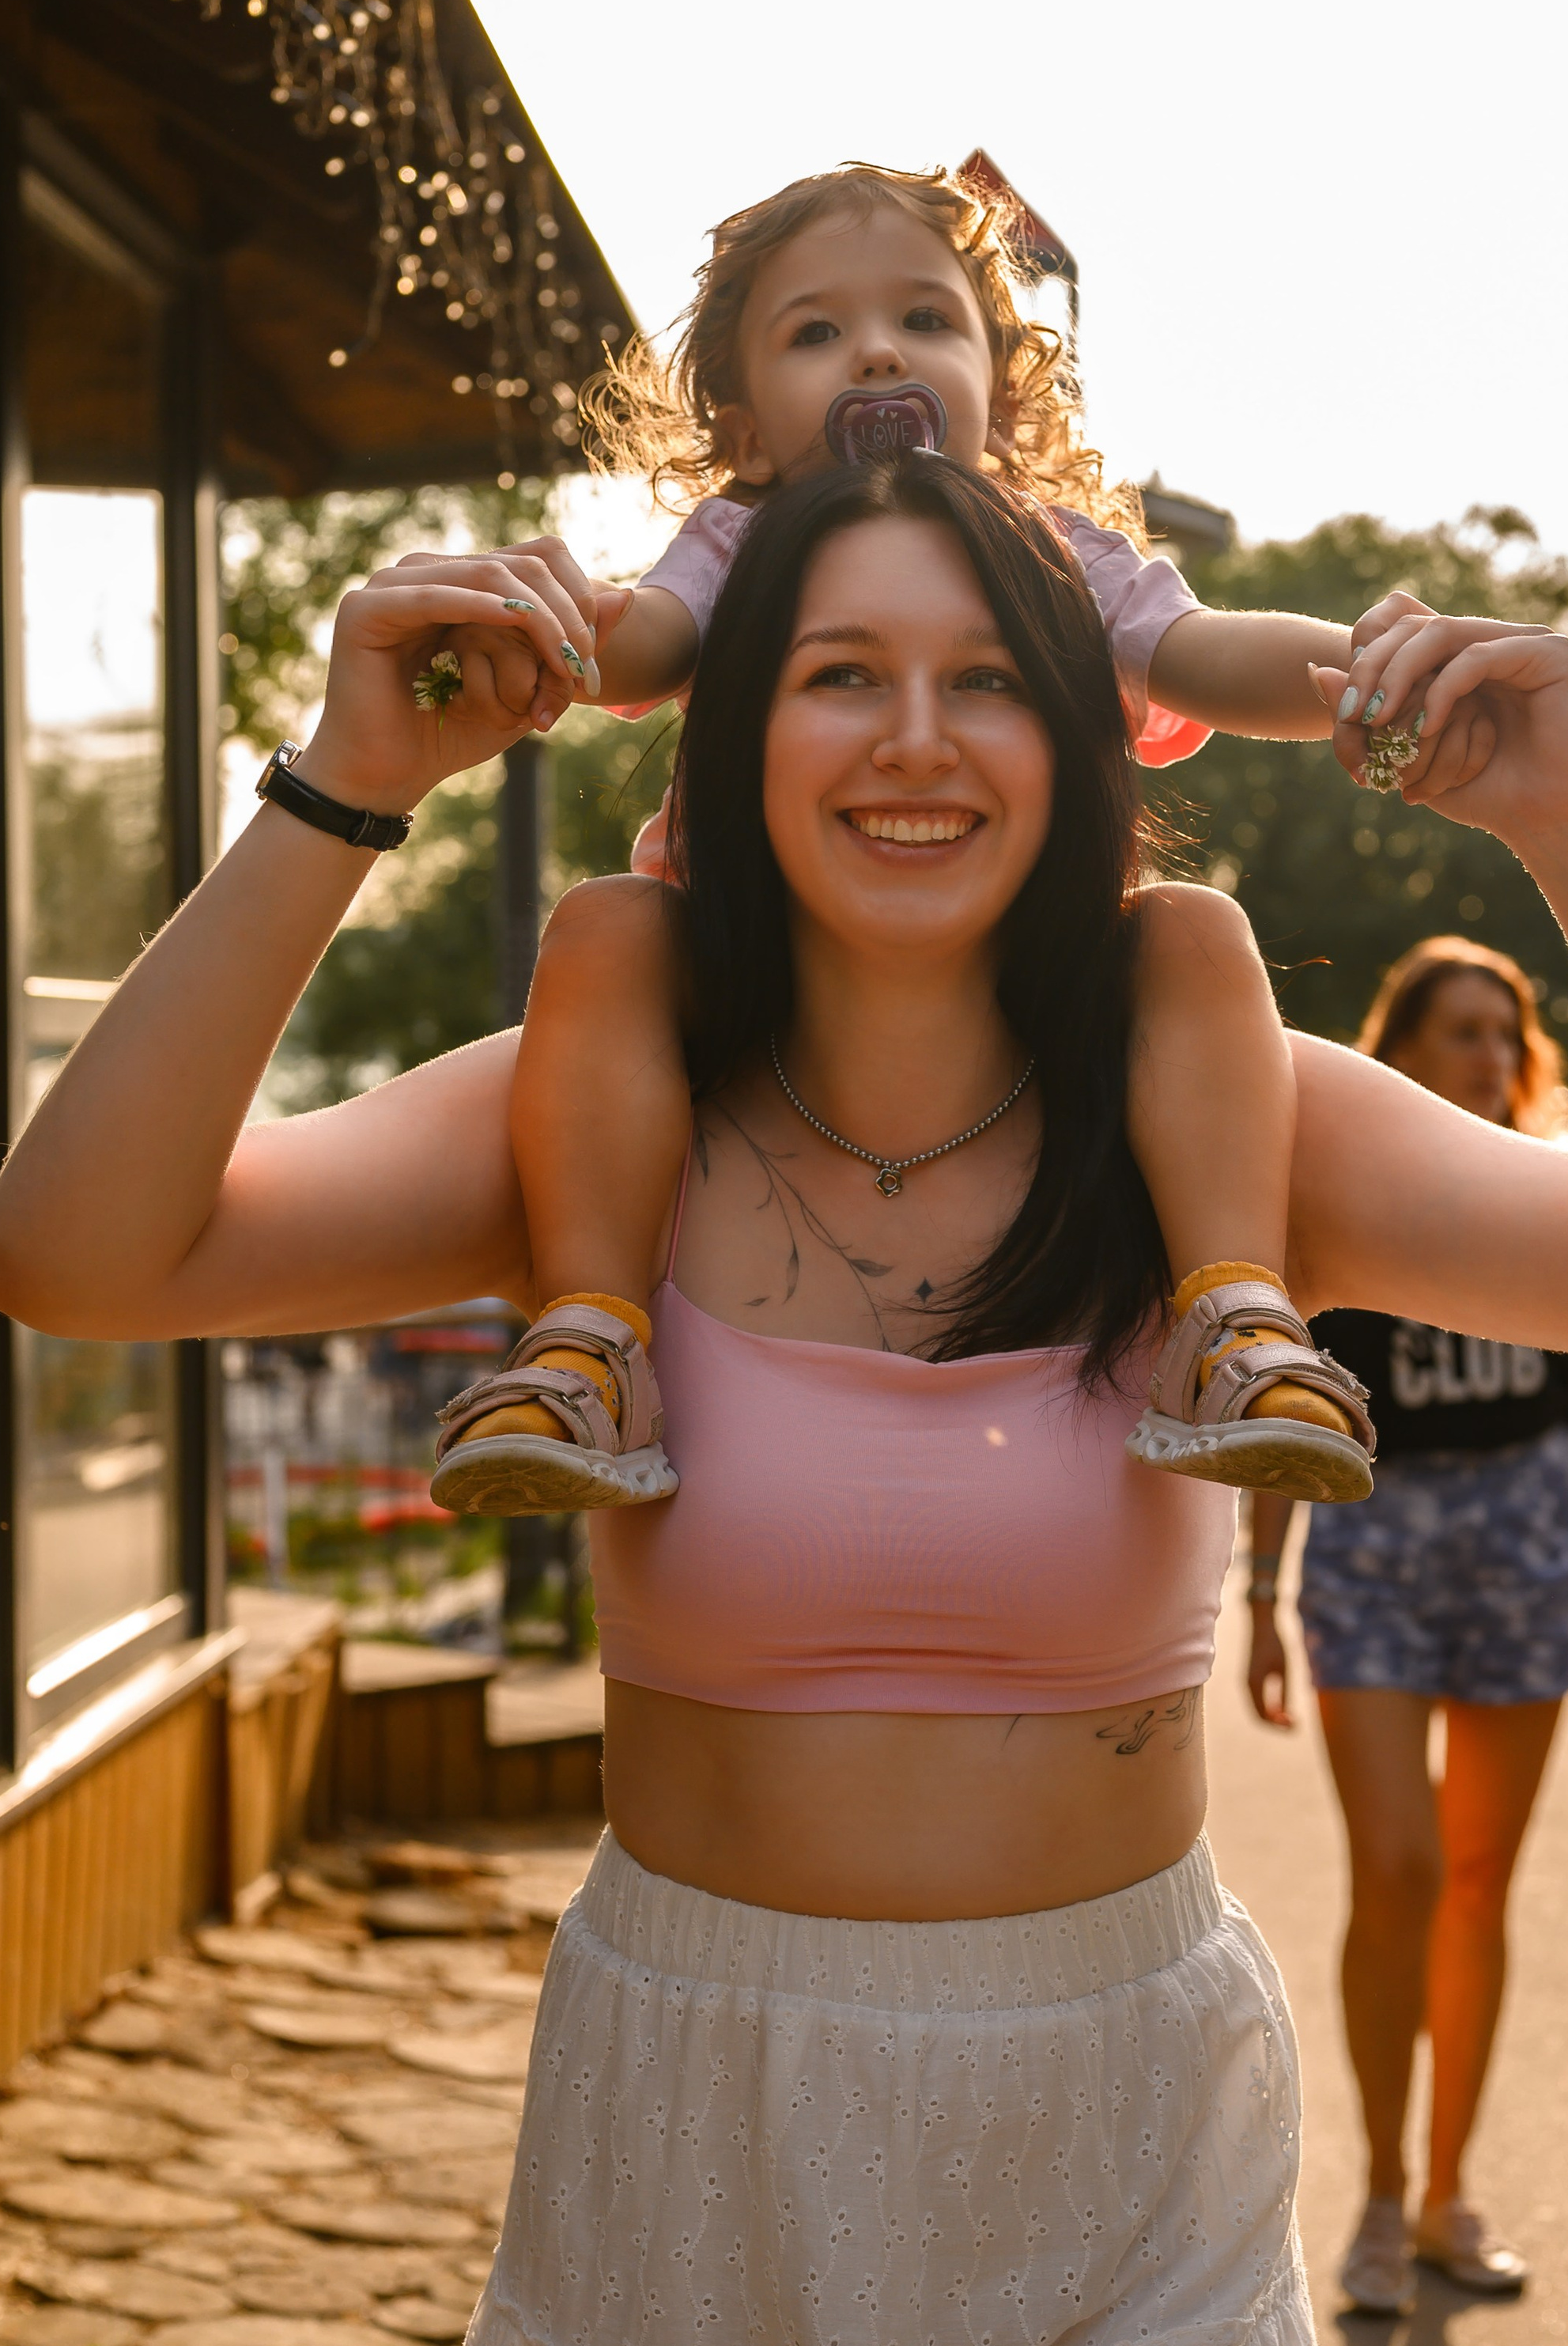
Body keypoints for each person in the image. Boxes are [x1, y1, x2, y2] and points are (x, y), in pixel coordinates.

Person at [0, 463, 1568, 2346]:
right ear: (730, 735)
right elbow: (73, 1253)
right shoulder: (596, 1107)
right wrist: (342, 787)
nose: (913, 737)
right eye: (839, 674)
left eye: (987, 679)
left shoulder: (1224, 1121)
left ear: (1083, 746)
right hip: (699, 2123)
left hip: (1121, 2137)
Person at [420, 161, 1387, 1523]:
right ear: (748, 435)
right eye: (816, 332)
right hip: (750, 965)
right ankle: (590, 1335)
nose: (877, 347)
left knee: (1194, 934)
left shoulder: (1059, 556)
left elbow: (1201, 650)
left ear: (999, 393)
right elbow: (640, 637)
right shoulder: (736, 541)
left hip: (1023, 976)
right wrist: (535, 619)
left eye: (927, 322)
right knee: (603, 930)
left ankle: (1232, 1317)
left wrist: (1375, 669)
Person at [1245, 939, 1568, 2314]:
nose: (1483, 1054)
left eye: (1501, 1032)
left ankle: (1451, 2191)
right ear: (1397, 1050)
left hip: (1528, 1536)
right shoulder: (1343, 1199)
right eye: (1456, 1030)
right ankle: (1382, 2197)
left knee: (1474, 1882)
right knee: (1393, 1867)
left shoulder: (1552, 1202)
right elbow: (1284, 1402)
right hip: (1377, 1536)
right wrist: (1264, 1603)